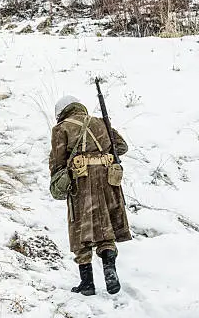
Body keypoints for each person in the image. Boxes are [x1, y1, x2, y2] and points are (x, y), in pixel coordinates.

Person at [48, 95, 131, 296]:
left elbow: (58, 163)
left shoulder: (61, 129)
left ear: (62, 112)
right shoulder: (101, 122)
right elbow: (121, 146)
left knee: (80, 230)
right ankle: (109, 269)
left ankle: (87, 283)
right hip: (107, 182)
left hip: (81, 183)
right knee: (106, 227)